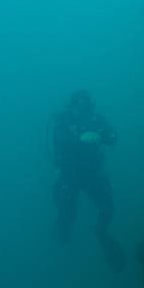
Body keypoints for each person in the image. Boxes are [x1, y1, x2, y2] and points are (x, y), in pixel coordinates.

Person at [51, 90, 125, 270]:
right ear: (72, 106)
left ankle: (102, 233)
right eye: (79, 105)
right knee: (66, 213)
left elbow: (113, 137)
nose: (83, 109)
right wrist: (79, 139)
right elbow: (58, 142)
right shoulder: (63, 122)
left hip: (93, 174)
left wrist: (101, 135)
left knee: (107, 209)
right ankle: (63, 231)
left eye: (86, 105)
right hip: (69, 175)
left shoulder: (96, 120)